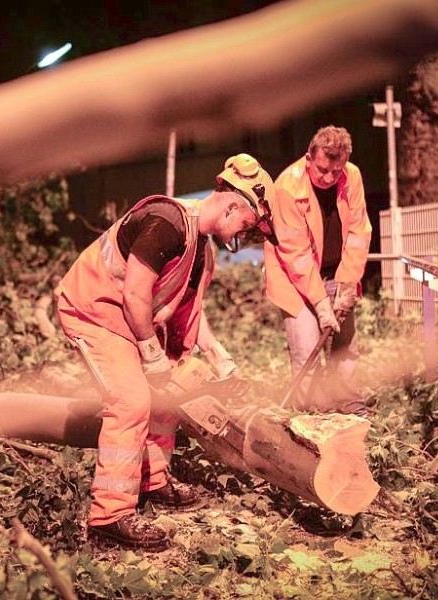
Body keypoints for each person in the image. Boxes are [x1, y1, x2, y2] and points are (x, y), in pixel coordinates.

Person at [55, 153, 277, 550]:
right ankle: (110, 515)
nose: (246, 235)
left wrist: (217, 355)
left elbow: (190, 310)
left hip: (130, 318)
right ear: (232, 204)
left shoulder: (202, 250)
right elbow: (136, 291)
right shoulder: (167, 221)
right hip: (95, 310)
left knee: (166, 392)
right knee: (132, 400)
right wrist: (151, 353)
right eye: (247, 223)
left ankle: (153, 480)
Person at [263, 125, 372, 415]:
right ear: (309, 159)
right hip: (292, 278)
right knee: (306, 349)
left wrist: (348, 283)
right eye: (322, 169)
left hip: (337, 271)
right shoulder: (286, 187)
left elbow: (360, 232)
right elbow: (296, 255)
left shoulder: (353, 177)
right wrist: (321, 305)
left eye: (336, 172)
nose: (328, 178)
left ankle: (351, 410)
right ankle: (310, 418)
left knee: (344, 347)